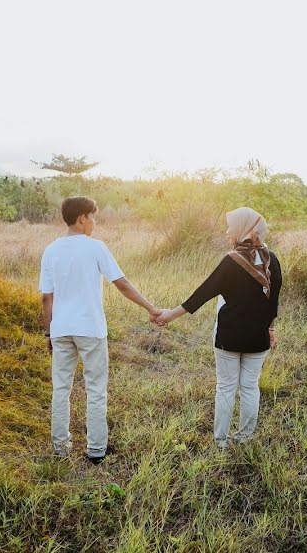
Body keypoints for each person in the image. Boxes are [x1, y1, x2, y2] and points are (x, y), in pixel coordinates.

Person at [40, 196, 161, 464]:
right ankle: (96, 450)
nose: (94, 222)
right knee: (95, 390)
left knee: (61, 389)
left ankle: (60, 448)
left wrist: (49, 332)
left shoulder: (51, 250)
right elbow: (122, 283)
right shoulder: (96, 248)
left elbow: (47, 297)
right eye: (93, 217)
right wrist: (151, 308)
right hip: (90, 329)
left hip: (61, 330)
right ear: (82, 218)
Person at [156, 207, 282, 449]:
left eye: (230, 227)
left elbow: (201, 295)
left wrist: (170, 315)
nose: (227, 232)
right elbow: (274, 301)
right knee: (250, 386)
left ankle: (221, 442)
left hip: (229, 336)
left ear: (243, 229)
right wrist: (271, 328)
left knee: (225, 387)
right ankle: (245, 438)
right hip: (258, 337)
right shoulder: (271, 259)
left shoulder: (231, 260)